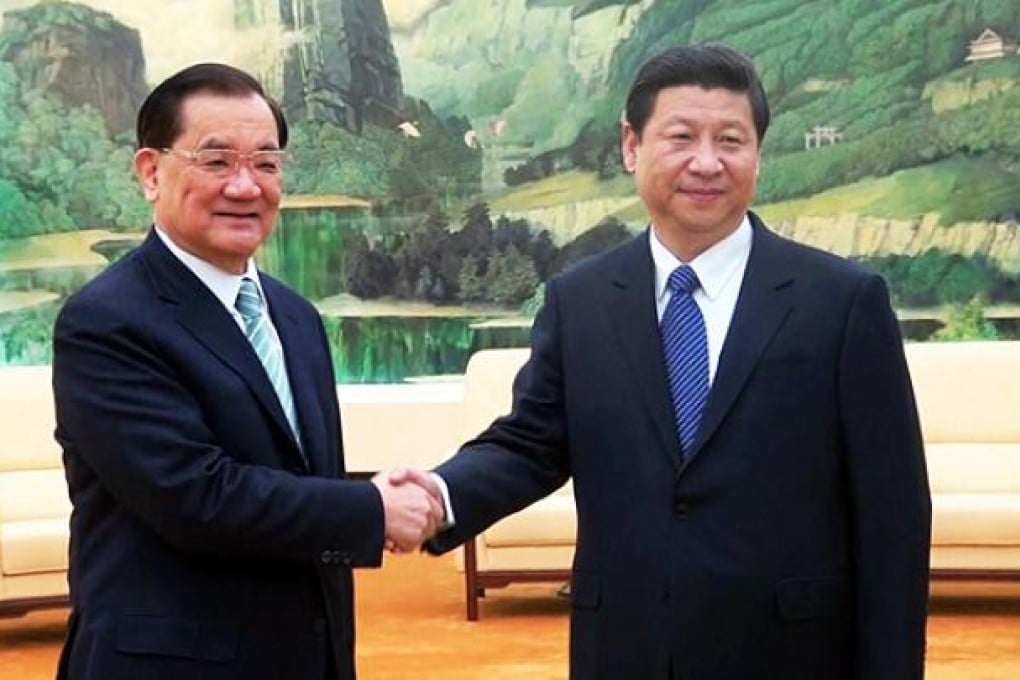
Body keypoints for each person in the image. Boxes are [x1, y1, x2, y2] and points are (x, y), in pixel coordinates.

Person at [401, 43, 932, 678]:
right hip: (628, 648)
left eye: (730, 140)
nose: (706, 163)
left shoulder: (842, 302)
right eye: (681, 137)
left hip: (791, 652)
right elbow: (531, 444)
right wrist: (439, 494)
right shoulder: (582, 300)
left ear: (758, 153)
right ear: (632, 146)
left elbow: (893, 514)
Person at [52, 63, 442, 679]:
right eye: (216, 161)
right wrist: (371, 511)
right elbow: (195, 497)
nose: (246, 185)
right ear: (151, 173)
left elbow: (299, 477)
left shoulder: (296, 317)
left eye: (266, 162)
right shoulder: (106, 321)